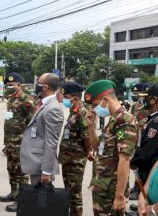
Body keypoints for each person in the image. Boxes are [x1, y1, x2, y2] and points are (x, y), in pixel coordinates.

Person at [85, 80, 138, 215]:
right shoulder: (113, 120)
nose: (95, 109)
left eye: (96, 105)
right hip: (102, 188)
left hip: (111, 191)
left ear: (105, 99)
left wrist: (119, 196)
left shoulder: (125, 121)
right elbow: (99, 149)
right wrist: (90, 126)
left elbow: (124, 160)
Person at [0, 73, 35, 212]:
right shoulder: (11, 99)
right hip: (9, 141)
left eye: (12, 85)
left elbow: (33, 122)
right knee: (11, 169)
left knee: (21, 172)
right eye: (8, 85)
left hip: (21, 142)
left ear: (19, 85)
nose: (9, 87)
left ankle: (22, 199)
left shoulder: (26, 100)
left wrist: (28, 141)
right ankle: (14, 193)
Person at [20, 73, 63, 185]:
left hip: (41, 164)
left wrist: (46, 171)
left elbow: (51, 142)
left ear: (45, 87)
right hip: (35, 161)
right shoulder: (44, 104)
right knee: (37, 198)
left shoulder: (53, 108)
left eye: (39, 83)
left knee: (41, 199)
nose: (36, 85)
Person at [58, 82, 91, 216]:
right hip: (68, 158)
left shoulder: (82, 113)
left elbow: (87, 138)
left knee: (75, 194)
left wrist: (87, 153)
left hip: (76, 161)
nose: (64, 99)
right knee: (69, 191)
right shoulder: (74, 111)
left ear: (75, 97)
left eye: (66, 96)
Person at [131, 83, 158, 188]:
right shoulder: (153, 119)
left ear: (154, 100)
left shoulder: (156, 121)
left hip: (151, 176)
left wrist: (133, 161)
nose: (144, 101)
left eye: (146, 98)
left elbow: (149, 150)